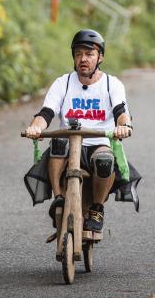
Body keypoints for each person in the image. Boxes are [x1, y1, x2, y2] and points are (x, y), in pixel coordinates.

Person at [24, 29, 134, 232]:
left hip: (98, 142)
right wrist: (35, 127)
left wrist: (124, 126)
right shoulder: (63, 83)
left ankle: (97, 208)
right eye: (78, 54)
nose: (83, 59)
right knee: (57, 144)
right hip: (67, 142)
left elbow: (121, 111)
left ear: (100, 56)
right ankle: (58, 198)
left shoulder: (112, 84)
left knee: (105, 161)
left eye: (89, 54)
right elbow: (46, 113)